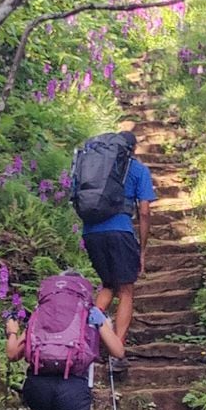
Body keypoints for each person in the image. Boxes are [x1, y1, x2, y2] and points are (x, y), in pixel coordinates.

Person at [77, 122, 157, 367]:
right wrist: (142, 249)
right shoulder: (138, 169)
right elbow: (144, 211)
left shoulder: (92, 167)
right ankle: (117, 350)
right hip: (120, 231)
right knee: (126, 290)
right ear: (132, 149)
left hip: (91, 232)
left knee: (108, 285)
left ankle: (82, 338)